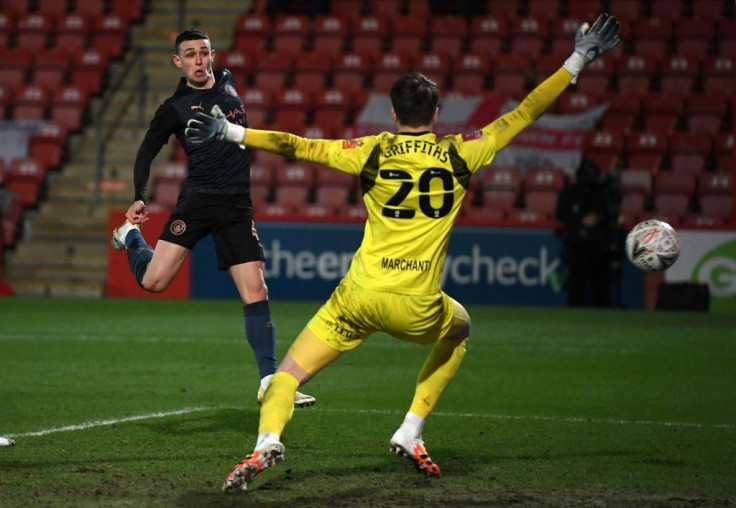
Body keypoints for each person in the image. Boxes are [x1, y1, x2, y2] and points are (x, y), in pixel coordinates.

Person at [185, 13, 622, 493]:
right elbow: (526, 112)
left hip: (358, 297)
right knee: (460, 328)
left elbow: (296, 146)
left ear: (393, 115)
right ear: (438, 115)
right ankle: (411, 428)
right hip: (417, 304)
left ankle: (267, 441)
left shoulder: (371, 150)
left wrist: (233, 133)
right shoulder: (461, 152)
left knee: (286, 375)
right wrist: (578, 58)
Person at [110, 28, 315, 408]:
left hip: (237, 205)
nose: (199, 61)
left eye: (203, 53)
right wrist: (138, 198)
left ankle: (269, 380)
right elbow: (145, 153)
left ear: (213, 56)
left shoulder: (227, 81)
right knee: (154, 282)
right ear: (178, 62)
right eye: (190, 55)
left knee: (257, 291)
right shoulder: (174, 107)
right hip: (198, 203)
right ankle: (131, 236)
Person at [555, 159, 613, 307]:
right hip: (576, 241)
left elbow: (609, 214)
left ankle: (602, 312)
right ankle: (574, 311)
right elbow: (561, 214)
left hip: (597, 242)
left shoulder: (602, 192)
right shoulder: (570, 191)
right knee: (576, 281)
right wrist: (581, 221)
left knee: (599, 282)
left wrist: (597, 218)